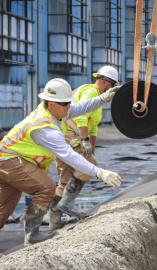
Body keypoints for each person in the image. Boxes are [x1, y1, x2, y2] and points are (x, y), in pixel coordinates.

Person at [0, 78, 122, 267]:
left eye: (69, 101)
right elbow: (70, 156)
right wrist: (99, 172)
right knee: (45, 188)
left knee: (1, 211)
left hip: (1, 161)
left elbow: (81, 107)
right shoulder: (45, 128)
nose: (69, 106)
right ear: (51, 103)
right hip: (10, 162)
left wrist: (103, 98)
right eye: (64, 103)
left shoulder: (54, 111)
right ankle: (32, 235)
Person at [49, 66, 120, 232]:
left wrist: (91, 148)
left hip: (66, 136)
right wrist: (85, 141)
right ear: (104, 82)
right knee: (89, 167)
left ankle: (54, 222)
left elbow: (92, 127)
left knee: (65, 177)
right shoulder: (92, 92)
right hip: (69, 136)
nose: (111, 91)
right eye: (111, 86)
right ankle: (66, 203)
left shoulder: (95, 98)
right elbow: (80, 116)